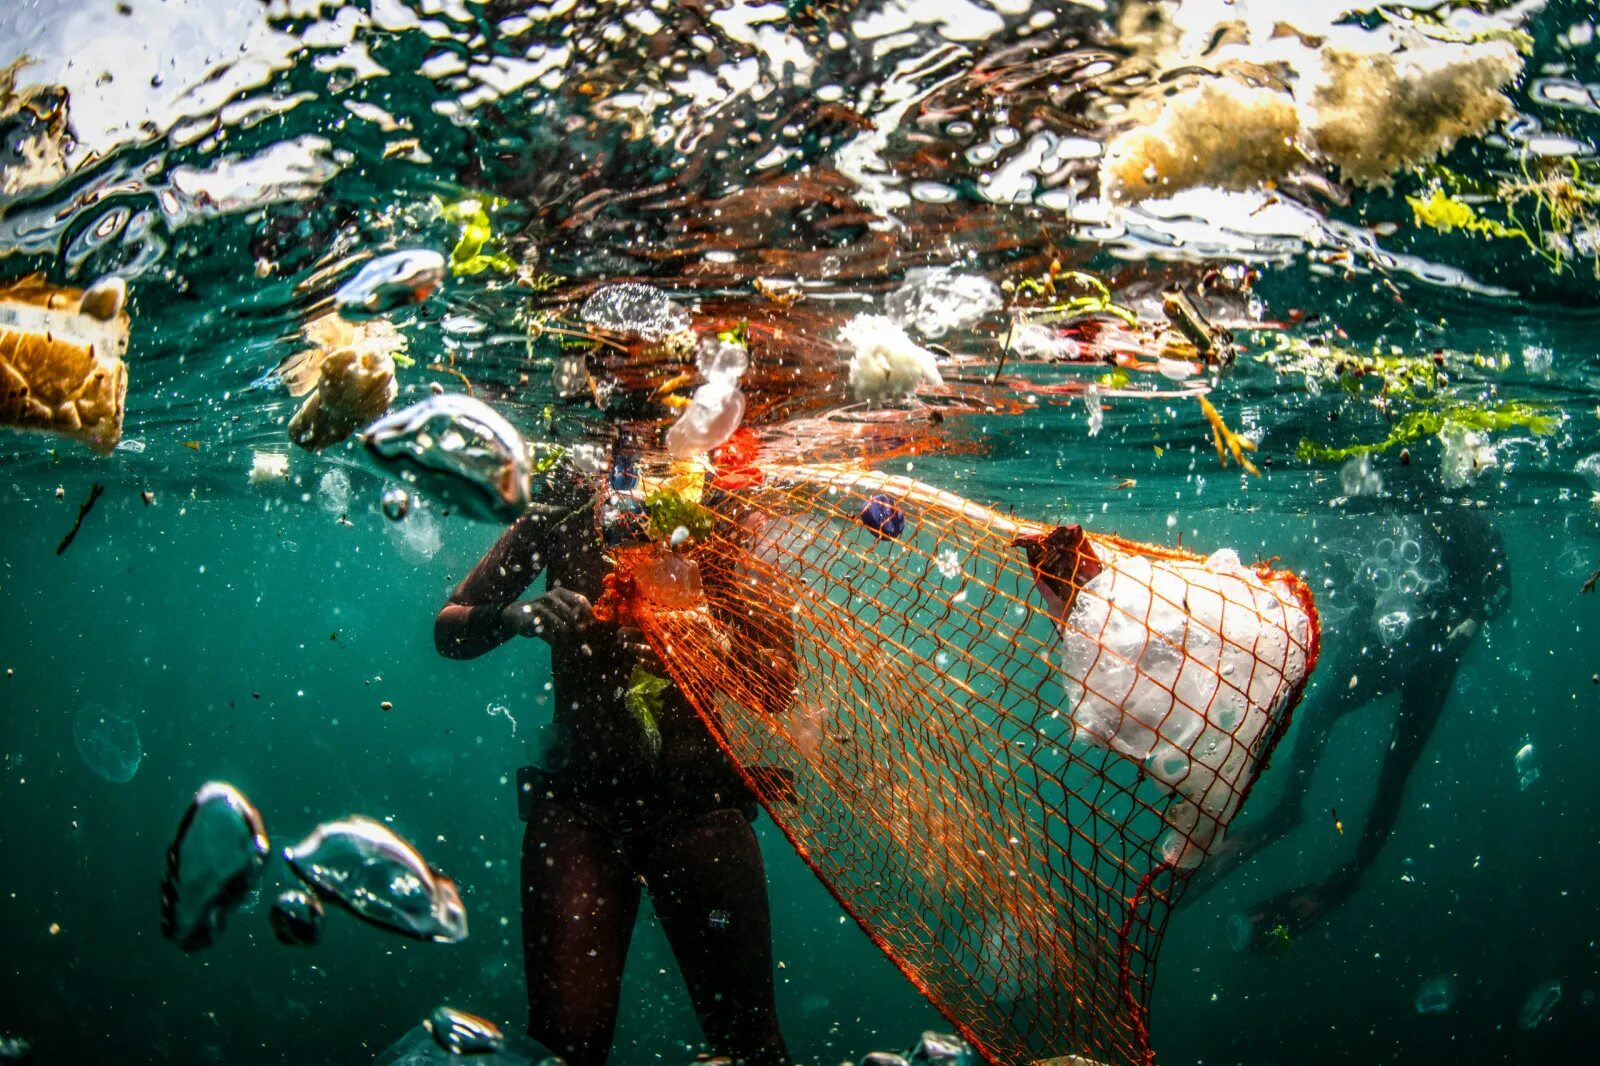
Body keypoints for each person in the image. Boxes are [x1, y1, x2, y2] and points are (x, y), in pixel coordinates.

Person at [434, 424, 790, 1066]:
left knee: (749, 1045)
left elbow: (777, 684)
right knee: (564, 1047)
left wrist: (706, 647)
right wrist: (515, 617)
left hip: (699, 801)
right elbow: (450, 627)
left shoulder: (723, 513)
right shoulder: (565, 504)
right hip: (580, 806)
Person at [1181, 500, 1511, 947]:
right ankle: (1288, 814)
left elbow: (1497, 592)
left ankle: (1344, 871)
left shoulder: (1464, 514)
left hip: (1432, 653)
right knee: (1336, 727)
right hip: (1385, 642)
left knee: (1394, 768)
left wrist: (1463, 627)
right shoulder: (1411, 506)